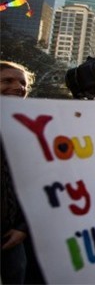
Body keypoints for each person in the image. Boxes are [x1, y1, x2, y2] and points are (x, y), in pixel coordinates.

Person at [1, 60, 36, 284]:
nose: (17, 87)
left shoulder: (30, 131)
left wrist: (22, 228)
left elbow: (35, 184)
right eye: (7, 81)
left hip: (11, 236)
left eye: (22, 83)